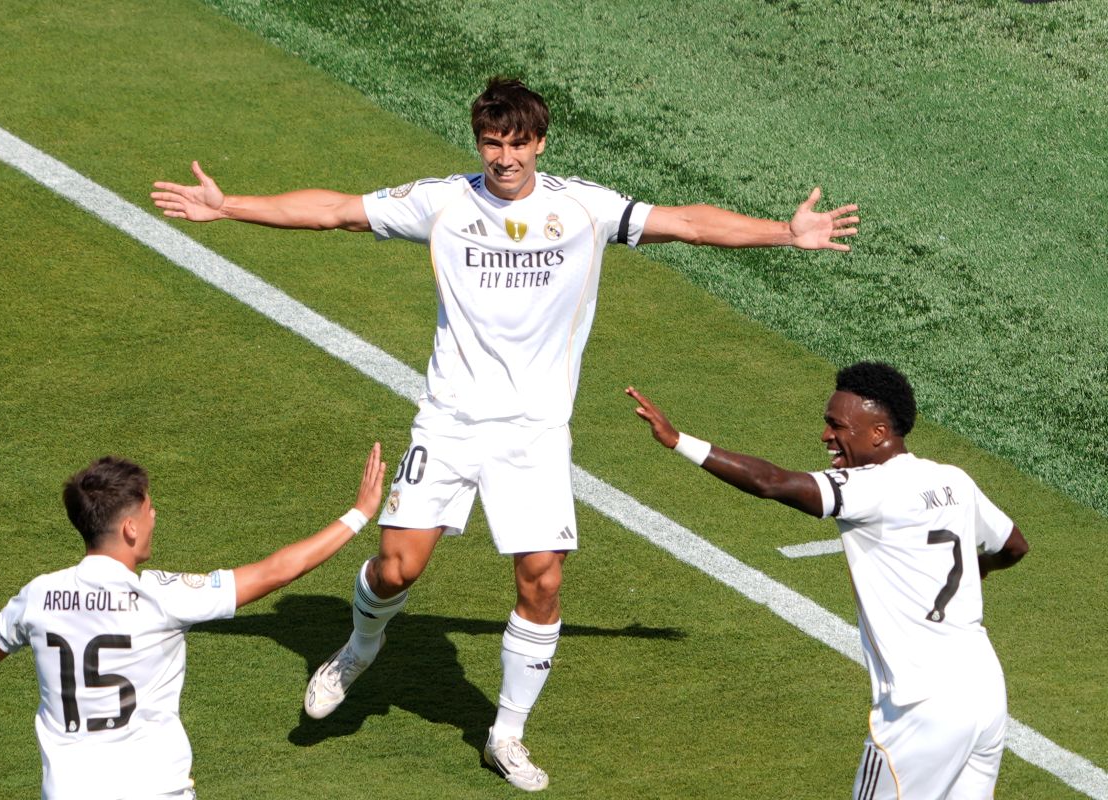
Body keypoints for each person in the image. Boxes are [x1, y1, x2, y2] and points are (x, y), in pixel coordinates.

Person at [150, 76, 859, 791]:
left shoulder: (583, 207)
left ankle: (506, 734)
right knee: (397, 567)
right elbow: (336, 211)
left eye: (517, 144)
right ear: (479, 142)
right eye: (492, 143)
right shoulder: (444, 202)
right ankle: (359, 648)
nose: (504, 158)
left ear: (540, 144)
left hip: (535, 433)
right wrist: (229, 205)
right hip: (450, 420)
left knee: (542, 581)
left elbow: (690, 222)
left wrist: (786, 233)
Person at [628, 362, 1029, 799]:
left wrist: (677, 440)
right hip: (984, 692)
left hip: (920, 709)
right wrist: (979, 569)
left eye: (836, 425)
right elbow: (1014, 547)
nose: (825, 436)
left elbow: (770, 482)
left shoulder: (871, 488)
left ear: (878, 432)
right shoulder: (953, 480)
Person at [0, 444, 385, 800]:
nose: (154, 516)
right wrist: (359, 513)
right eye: (148, 509)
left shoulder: (38, 596)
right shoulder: (159, 596)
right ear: (128, 528)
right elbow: (275, 571)